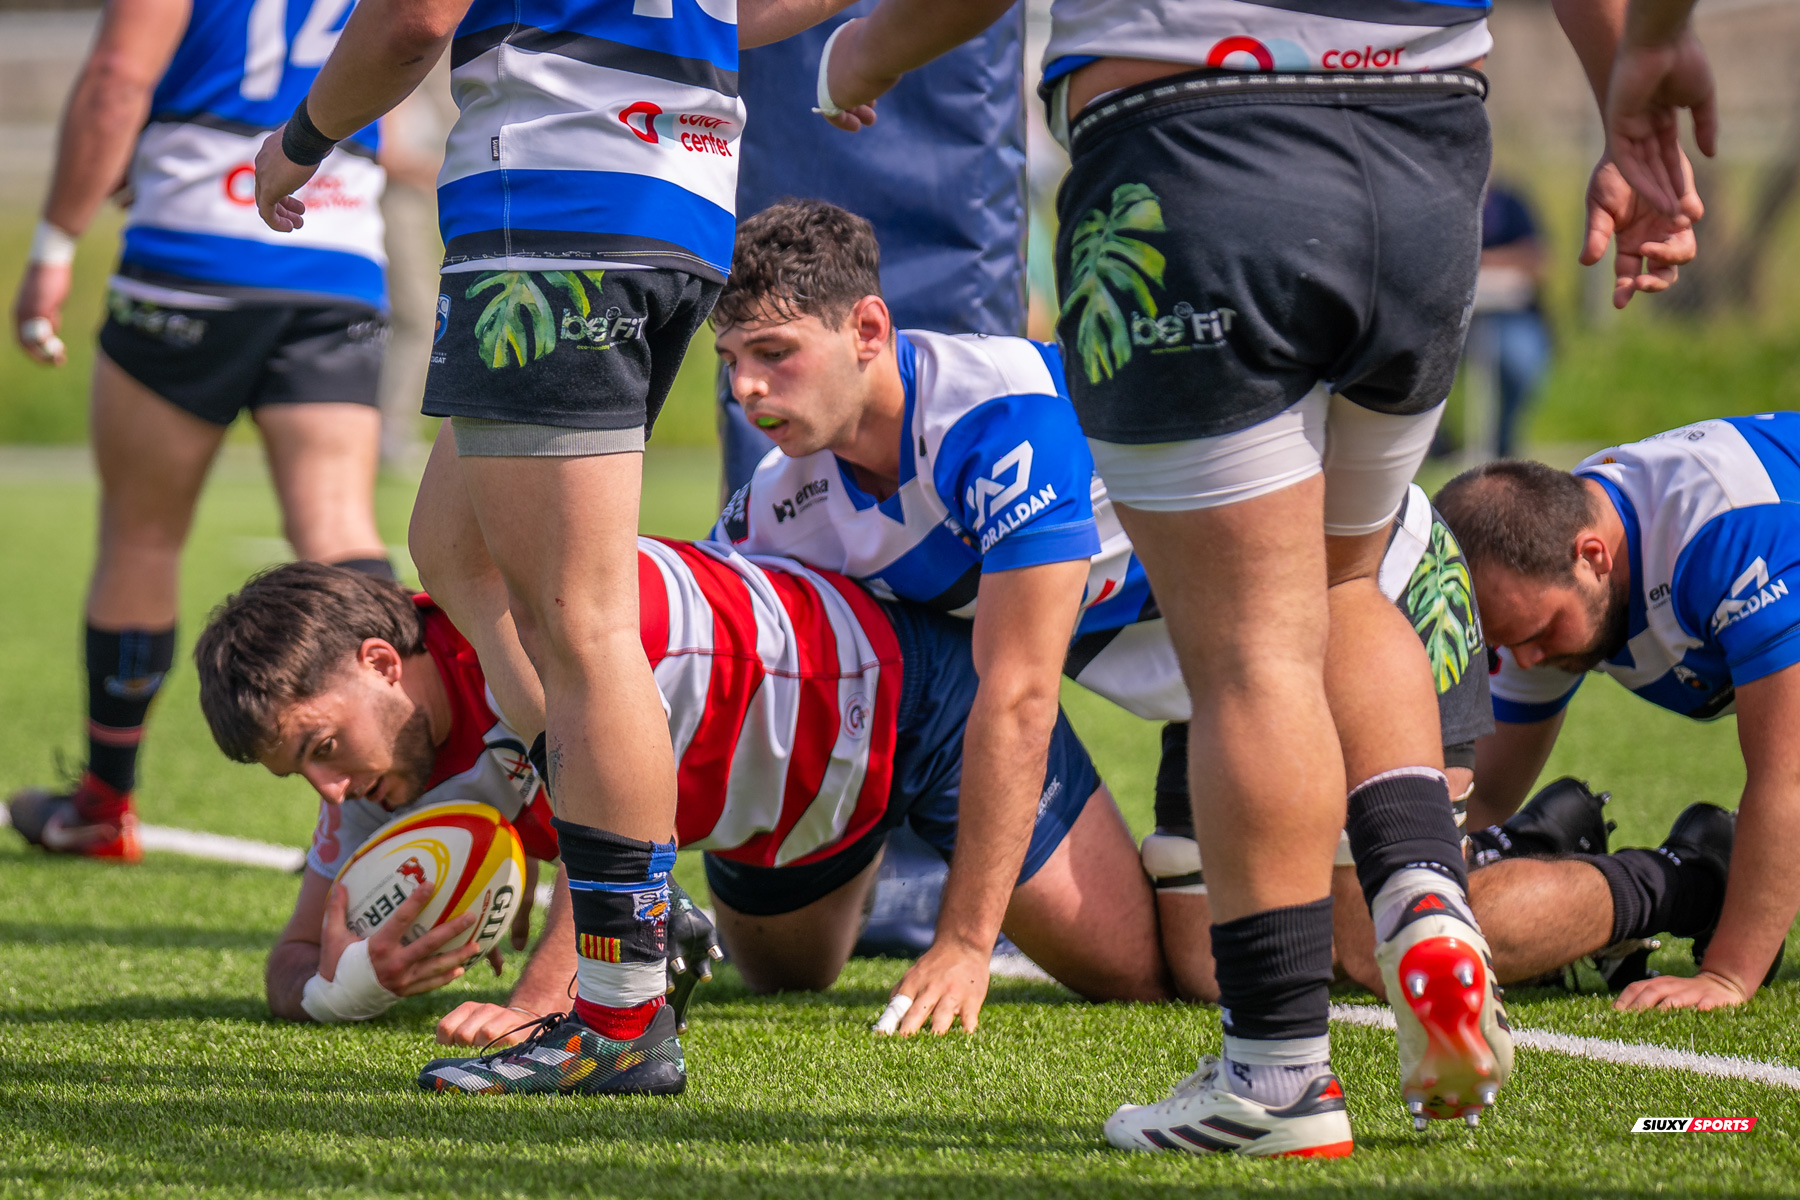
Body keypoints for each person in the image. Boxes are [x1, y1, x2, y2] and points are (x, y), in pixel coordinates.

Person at [784, 0, 1711, 1153]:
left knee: (1255, 651)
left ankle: (1278, 1080)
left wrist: (856, 52)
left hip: (1197, 140)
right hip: (1424, 145)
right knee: (1338, 586)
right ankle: (1425, 889)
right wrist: (1629, 84)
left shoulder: (985, 421)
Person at [251, 0, 854, 1099]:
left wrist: (299, 141)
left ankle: (621, 1015)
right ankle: (615, 859)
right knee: (453, 546)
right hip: (671, 196)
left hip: (557, 199)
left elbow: (408, 19)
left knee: (580, 624)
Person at [190, 553, 1169, 1075]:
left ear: (380, 663)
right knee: (788, 979)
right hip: (779, 817)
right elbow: (288, 962)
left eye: (321, 749)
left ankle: (1201, 802)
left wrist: (539, 1001)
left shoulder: (517, 644)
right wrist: (344, 990)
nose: (327, 790)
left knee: (1136, 974)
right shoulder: (377, 768)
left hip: (911, 703)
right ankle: (669, 928)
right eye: (299, 773)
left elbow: (616, 820)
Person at [7, 0, 394, 864]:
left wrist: (53, 247)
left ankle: (104, 806)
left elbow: (116, 80)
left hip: (195, 251)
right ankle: (402, 792)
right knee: (340, 528)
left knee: (141, 536)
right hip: (336, 247)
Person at [1435, 415, 1800, 1012]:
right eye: (1506, 644)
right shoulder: (1546, 557)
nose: (1527, 659)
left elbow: (1787, 778)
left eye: (1539, 632)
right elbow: (1487, 793)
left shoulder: (1731, 536)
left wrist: (1727, 977)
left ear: (1593, 556)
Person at [716, 2, 1027, 494]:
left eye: (773, 352)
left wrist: (862, 56)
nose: (743, 387)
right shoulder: (772, 503)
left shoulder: (1014, 426)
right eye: (731, 361)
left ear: (869, 329)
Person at [1464, 182, 1553, 460]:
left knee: (1520, 358)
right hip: (1452, 320)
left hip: (1512, 313)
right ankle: (1440, 444)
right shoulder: (1438, 201)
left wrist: (1484, 261)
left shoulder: (1509, 203)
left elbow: (1538, 260)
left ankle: (1502, 444)